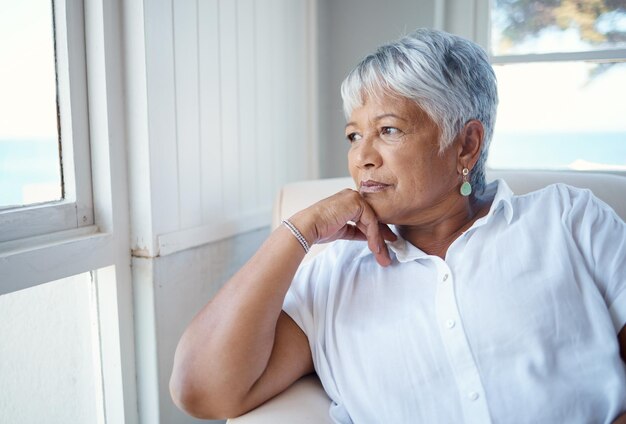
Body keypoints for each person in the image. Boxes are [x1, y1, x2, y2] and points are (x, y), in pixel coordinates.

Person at [169, 28, 626, 423]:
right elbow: (201, 390)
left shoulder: (568, 220)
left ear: (466, 145)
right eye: (353, 136)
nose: (362, 156)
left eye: (388, 130)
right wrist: (299, 230)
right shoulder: (331, 277)